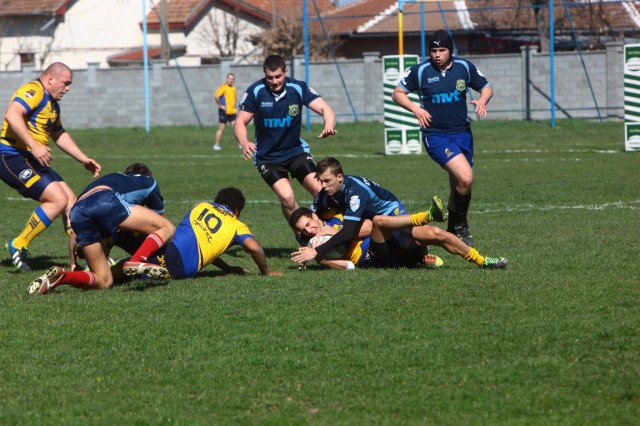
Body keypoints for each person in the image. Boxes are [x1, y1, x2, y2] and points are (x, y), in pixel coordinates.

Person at [290, 157, 507, 269]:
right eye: (321, 181)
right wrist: (306, 247)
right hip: (376, 243)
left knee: (434, 233)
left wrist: (317, 252)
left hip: (393, 214)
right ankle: (424, 234)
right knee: (377, 222)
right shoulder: (323, 200)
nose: (323, 186)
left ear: (340, 178)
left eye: (327, 181)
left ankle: (482, 260)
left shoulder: (355, 193)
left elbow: (349, 231)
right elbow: (311, 217)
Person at [392, 29, 493, 247]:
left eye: (442, 50)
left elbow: (486, 87)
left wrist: (483, 100)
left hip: (463, 134)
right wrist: (416, 110)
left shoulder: (464, 68)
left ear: (450, 50)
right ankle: (460, 225)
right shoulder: (420, 71)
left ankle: (452, 227)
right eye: (433, 50)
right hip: (436, 136)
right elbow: (397, 93)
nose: (437, 55)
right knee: (465, 178)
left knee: (459, 183)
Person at [1, 62, 101, 272]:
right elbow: (12, 114)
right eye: (66, 83)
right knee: (57, 199)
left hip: (29, 157)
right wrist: (35, 145)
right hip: (10, 155)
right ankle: (19, 244)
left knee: (71, 203)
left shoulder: (53, 105)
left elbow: (58, 134)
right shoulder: (33, 91)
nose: (68, 88)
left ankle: (82, 257)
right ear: (50, 79)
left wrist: (83, 159)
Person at [28, 163, 176, 294]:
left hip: (78, 211)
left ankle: (62, 276)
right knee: (167, 228)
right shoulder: (149, 182)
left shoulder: (114, 178)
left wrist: (73, 264)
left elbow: (74, 232)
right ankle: (137, 260)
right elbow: (162, 221)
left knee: (104, 281)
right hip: (105, 199)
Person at [233, 54, 337, 226]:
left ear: (285, 72)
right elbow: (239, 122)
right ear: (264, 75)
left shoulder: (298, 87)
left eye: (278, 76)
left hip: (296, 151)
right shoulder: (255, 91)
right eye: (269, 77)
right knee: (287, 197)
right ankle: (302, 234)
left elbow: (327, 110)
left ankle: (328, 231)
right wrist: (244, 142)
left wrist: (328, 124)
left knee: (321, 191)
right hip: (268, 157)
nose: (274, 81)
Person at [289, 207, 444, 270]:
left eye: (309, 223)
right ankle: (420, 257)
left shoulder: (335, 218)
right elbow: (350, 266)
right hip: (367, 258)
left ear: (315, 216)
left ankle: (422, 253)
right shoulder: (313, 245)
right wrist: (319, 258)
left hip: (378, 238)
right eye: (304, 229)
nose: (309, 230)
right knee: (395, 258)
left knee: (405, 233)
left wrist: (339, 233)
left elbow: (370, 226)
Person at [212, 73, 237, 151]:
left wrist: (234, 106)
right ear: (227, 79)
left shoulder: (233, 88)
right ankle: (216, 145)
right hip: (224, 112)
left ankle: (240, 143)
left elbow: (234, 98)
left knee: (236, 128)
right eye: (229, 78)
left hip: (232, 111)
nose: (231, 80)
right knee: (221, 129)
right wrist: (220, 105)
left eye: (232, 79)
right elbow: (216, 96)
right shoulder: (223, 87)